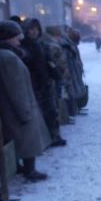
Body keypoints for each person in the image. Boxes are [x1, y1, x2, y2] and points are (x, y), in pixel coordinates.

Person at [0, 20, 51, 182]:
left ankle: (18, 167)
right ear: (8, 38)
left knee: (12, 139)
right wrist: (25, 111)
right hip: (18, 108)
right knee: (27, 139)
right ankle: (29, 170)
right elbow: (16, 87)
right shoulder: (8, 58)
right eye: (16, 37)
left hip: (3, 108)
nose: (20, 40)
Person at [21, 18, 67, 147]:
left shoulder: (41, 44)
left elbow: (49, 62)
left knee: (51, 111)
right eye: (31, 29)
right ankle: (45, 139)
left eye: (36, 29)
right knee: (40, 113)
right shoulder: (24, 46)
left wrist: (55, 73)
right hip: (34, 84)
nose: (34, 32)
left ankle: (53, 136)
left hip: (46, 82)